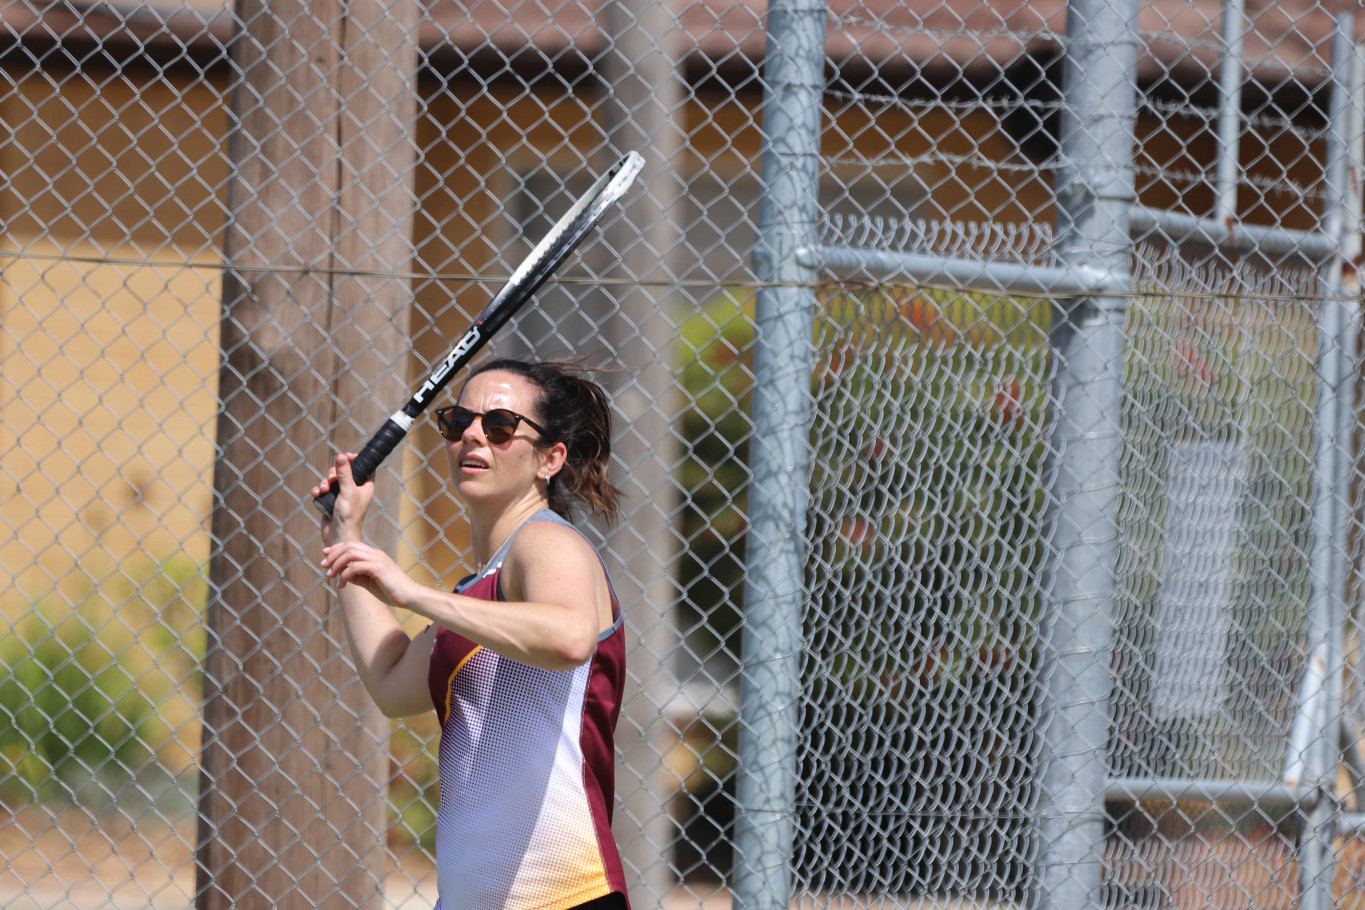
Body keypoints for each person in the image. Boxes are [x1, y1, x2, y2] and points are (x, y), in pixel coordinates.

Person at [314, 358, 629, 910]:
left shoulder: (547, 542)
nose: (473, 436)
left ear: (550, 458)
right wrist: (346, 535)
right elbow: (391, 684)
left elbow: (570, 637)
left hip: (565, 897)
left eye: (501, 425)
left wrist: (412, 592)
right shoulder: (474, 594)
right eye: (459, 421)